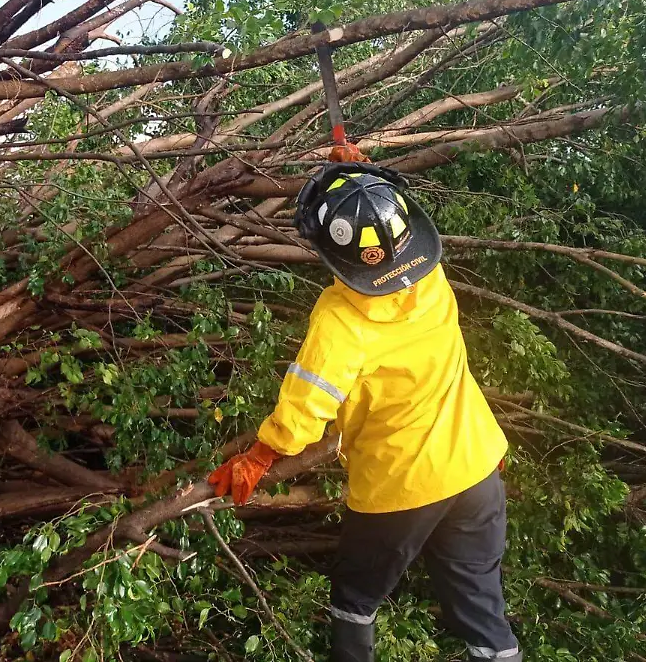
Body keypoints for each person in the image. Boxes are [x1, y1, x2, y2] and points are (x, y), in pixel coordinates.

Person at [208, 163, 521, 662]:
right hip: (477, 468)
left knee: (355, 598)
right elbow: (386, 237)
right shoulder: (431, 277)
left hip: (402, 486)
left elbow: (306, 408)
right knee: (482, 611)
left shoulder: (341, 320)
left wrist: (261, 456)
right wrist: (363, 192)